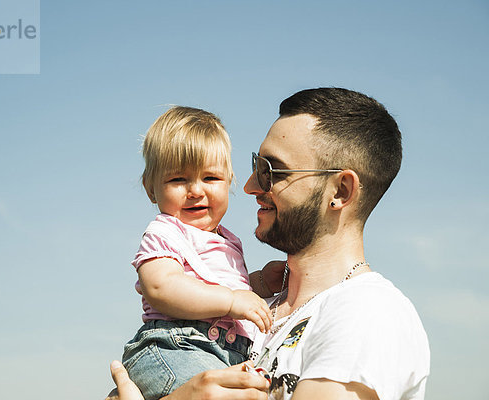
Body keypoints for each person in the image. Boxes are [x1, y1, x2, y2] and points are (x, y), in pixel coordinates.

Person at [107, 88, 430, 400]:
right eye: (256, 167)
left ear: (340, 191)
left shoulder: (365, 312)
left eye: (272, 171)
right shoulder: (259, 312)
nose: (249, 186)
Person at [121, 106, 277, 400]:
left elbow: (224, 285)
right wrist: (231, 301)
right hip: (175, 345)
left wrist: (259, 283)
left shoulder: (228, 240)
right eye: (178, 180)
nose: (195, 190)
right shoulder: (164, 232)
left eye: (210, 178)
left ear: (229, 181)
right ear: (151, 189)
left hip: (222, 352)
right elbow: (162, 286)